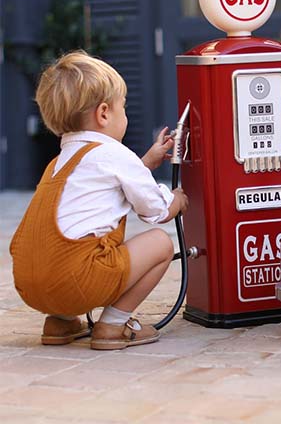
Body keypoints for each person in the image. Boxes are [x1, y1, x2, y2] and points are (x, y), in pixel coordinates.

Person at [10, 51, 189, 350]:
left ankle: (60, 321)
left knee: (67, 248)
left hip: (30, 285)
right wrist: (178, 199)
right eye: (124, 108)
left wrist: (144, 163)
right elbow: (156, 211)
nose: (125, 115)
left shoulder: (60, 162)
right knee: (160, 243)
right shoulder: (115, 155)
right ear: (104, 113)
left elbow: (106, 187)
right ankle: (114, 325)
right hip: (78, 281)